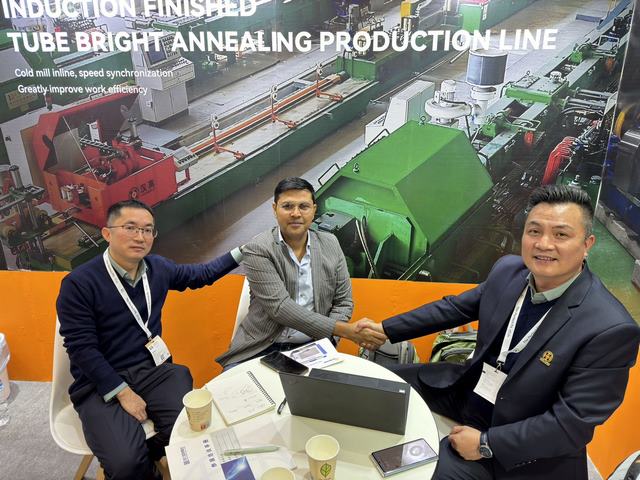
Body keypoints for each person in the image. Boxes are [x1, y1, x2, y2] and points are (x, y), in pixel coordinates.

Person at [357, 185, 640, 480]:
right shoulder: (509, 271)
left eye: (560, 235)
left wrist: (485, 444)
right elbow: (454, 309)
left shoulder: (609, 328)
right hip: (470, 391)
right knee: (377, 387)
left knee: (424, 474)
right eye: (534, 231)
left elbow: (571, 424)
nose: (544, 244)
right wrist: (386, 329)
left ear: (587, 244)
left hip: (519, 442)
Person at [56, 200, 243, 480]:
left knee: (192, 430)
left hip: (152, 371)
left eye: (147, 230)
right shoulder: (79, 283)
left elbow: (201, 275)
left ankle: (152, 453)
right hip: (100, 382)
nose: (140, 237)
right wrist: (123, 393)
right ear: (107, 233)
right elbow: (82, 349)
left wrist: (242, 251)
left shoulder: (158, 268)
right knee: (125, 464)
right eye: (130, 228)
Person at [216, 177, 385, 368]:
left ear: (314, 210)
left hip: (313, 346)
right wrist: (346, 331)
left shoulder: (330, 243)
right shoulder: (258, 248)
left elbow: (343, 302)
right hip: (261, 347)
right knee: (233, 386)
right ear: (275, 209)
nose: (296, 213)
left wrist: (327, 342)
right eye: (287, 206)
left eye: (303, 206)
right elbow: (280, 308)